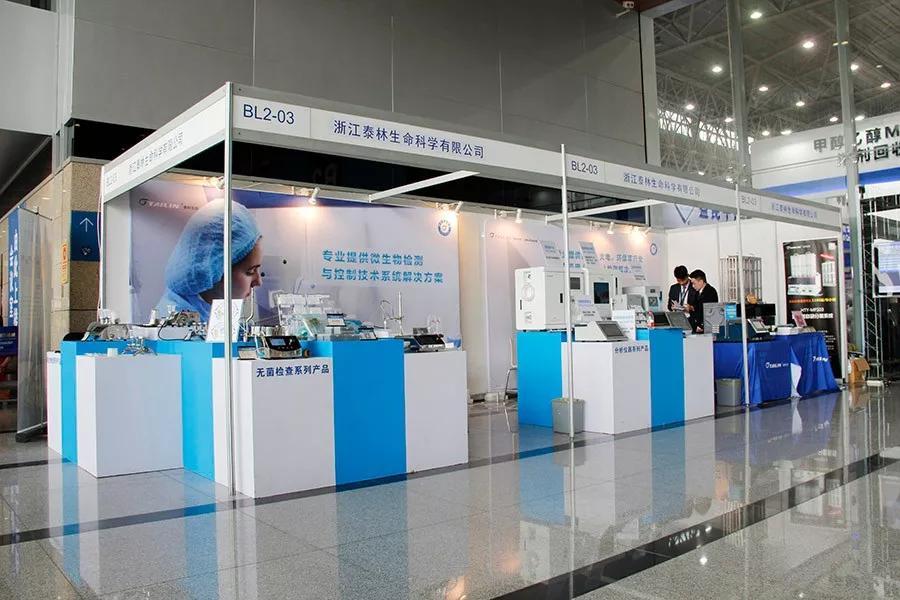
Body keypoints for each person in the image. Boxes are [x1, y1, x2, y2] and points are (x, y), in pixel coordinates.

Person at [156, 199, 263, 322]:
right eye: (250, 271)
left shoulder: (206, 311)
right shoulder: (177, 322)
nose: (258, 282)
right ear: (215, 269)